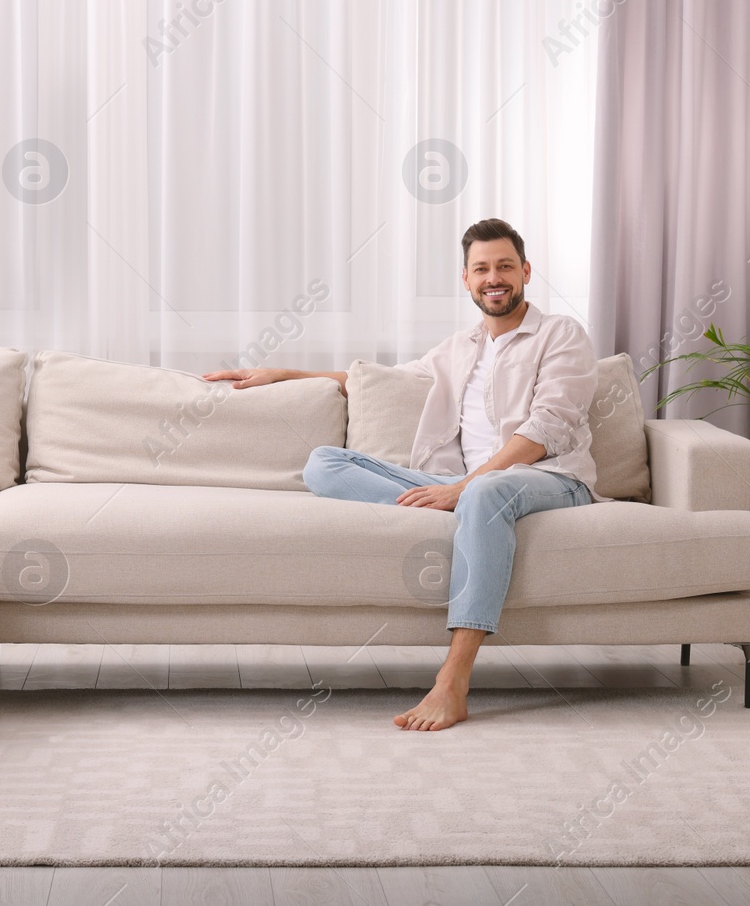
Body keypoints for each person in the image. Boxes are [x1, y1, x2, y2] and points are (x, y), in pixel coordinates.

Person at [203, 218, 601, 731]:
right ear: (466, 280)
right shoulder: (460, 347)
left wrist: (466, 487)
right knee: (325, 463)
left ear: (525, 271)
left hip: (552, 478)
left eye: (505, 266)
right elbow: (378, 381)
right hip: (468, 489)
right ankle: (464, 505)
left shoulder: (560, 334)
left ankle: (452, 680)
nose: (493, 277)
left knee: (486, 490)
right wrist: (285, 374)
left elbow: (547, 427)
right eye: (481, 269)